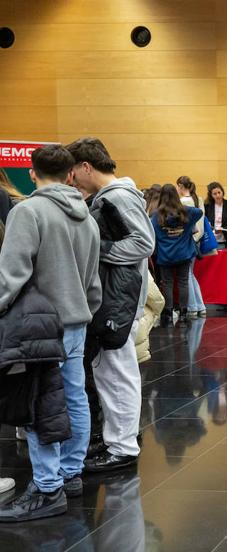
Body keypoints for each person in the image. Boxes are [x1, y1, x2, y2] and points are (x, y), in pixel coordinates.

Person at [0, 145, 101, 521]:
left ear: (31, 170)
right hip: (76, 321)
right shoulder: (87, 218)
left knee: (40, 403)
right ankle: (70, 473)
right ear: (71, 174)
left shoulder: (27, 211)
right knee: (74, 396)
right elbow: (93, 282)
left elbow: (11, 276)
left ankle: (46, 487)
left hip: (39, 325)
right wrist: (83, 312)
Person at [67, 137, 155, 474]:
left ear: (86, 166)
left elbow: (142, 243)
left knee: (117, 371)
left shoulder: (117, 198)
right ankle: (118, 437)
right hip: (119, 297)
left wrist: (97, 249)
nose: (71, 178)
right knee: (113, 369)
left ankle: (122, 447)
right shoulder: (115, 196)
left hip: (120, 299)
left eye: (74, 171)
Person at [152, 184, 203, 326]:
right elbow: (199, 212)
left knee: (167, 283)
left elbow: (151, 230)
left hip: (165, 255)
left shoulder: (157, 215)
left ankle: (168, 313)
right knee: (183, 282)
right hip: (183, 254)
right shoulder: (185, 213)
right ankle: (183, 313)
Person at [176, 176, 206, 319]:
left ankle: (193, 307)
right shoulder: (198, 200)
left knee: (186, 275)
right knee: (190, 274)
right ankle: (200, 306)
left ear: (180, 186)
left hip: (187, 240)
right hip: (197, 240)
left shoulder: (182, 202)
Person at [204, 181, 227, 250]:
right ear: (211, 195)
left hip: (225, 240)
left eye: (219, 192)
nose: (218, 195)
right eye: (214, 194)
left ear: (222, 192)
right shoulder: (207, 206)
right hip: (211, 239)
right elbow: (205, 222)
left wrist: (222, 229)